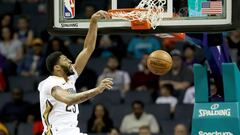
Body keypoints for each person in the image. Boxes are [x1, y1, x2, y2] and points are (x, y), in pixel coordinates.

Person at [38, 11, 112, 135]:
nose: (70, 61)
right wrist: (97, 90)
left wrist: (93, 22)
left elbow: (88, 49)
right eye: (65, 60)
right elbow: (68, 99)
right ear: (57, 67)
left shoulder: (70, 78)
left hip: (72, 131)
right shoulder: (50, 83)